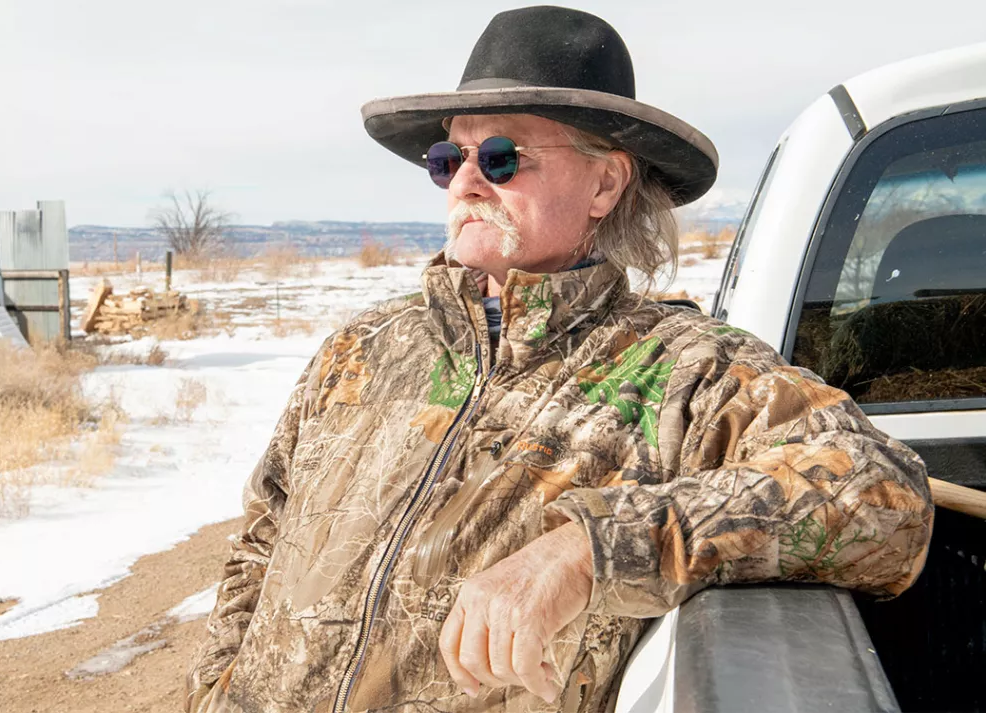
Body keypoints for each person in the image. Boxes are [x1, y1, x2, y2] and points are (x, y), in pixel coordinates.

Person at [186, 7, 932, 712]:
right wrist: (212, 691)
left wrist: (587, 550)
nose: (466, 182)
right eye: (448, 159)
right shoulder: (362, 347)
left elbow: (885, 497)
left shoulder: (688, 372)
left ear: (605, 183)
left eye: (502, 157)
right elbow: (261, 540)